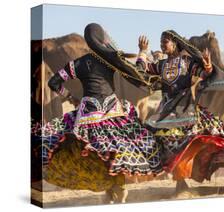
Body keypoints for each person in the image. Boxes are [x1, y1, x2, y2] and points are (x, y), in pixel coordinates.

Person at [31, 23, 164, 202]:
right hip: (113, 112)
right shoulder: (111, 60)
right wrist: (142, 51)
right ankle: (118, 187)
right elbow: (138, 74)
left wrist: (70, 97)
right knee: (119, 149)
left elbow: (53, 83)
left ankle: (109, 190)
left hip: (87, 115)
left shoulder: (76, 64)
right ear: (102, 39)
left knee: (92, 151)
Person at [136, 30, 224, 192]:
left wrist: (208, 65)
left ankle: (184, 179)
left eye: (165, 41)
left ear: (174, 43)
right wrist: (142, 51)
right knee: (165, 146)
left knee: (189, 142)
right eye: (161, 41)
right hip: (166, 113)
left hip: (185, 109)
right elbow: (141, 70)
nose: (161, 44)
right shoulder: (160, 65)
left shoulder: (187, 62)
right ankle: (180, 181)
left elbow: (204, 74)